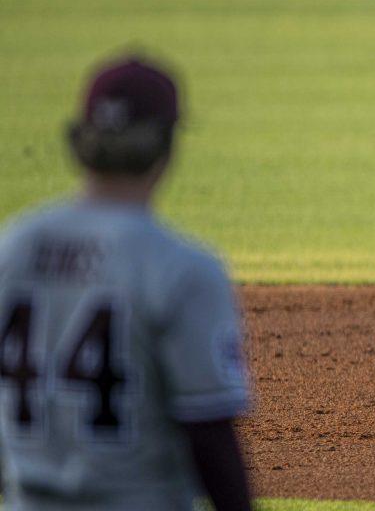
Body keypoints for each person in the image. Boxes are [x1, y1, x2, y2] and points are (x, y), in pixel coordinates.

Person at [0, 57, 254, 510]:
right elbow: (209, 434)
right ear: (166, 144)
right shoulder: (182, 267)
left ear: (81, 140)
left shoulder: (14, 247)